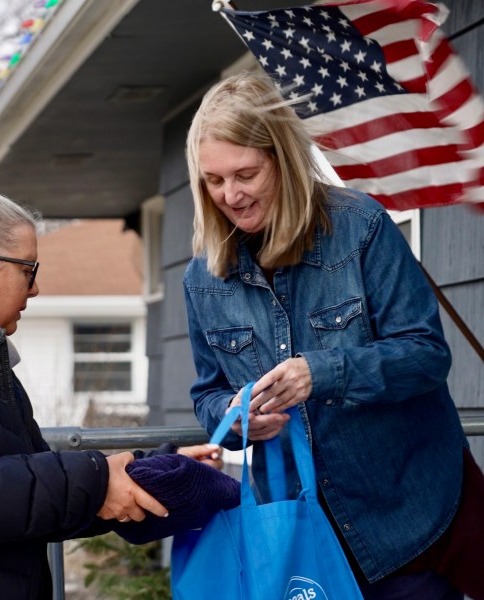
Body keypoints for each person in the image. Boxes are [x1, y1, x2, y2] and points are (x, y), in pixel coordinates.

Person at [183, 72, 484, 600]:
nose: (230, 195)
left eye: (245, 174)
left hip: (407, 519)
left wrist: (320, 372)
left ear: (281, 159)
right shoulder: (202, 276)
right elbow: (208, 396)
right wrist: (237, 418)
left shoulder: (361, 226)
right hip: (297, 537)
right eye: (213, 180)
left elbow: (426, 355)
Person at [0, 166, 222, 600]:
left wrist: (147, 471)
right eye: (29, 269)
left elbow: (28, 494)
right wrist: (99, 481)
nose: (36, 288)